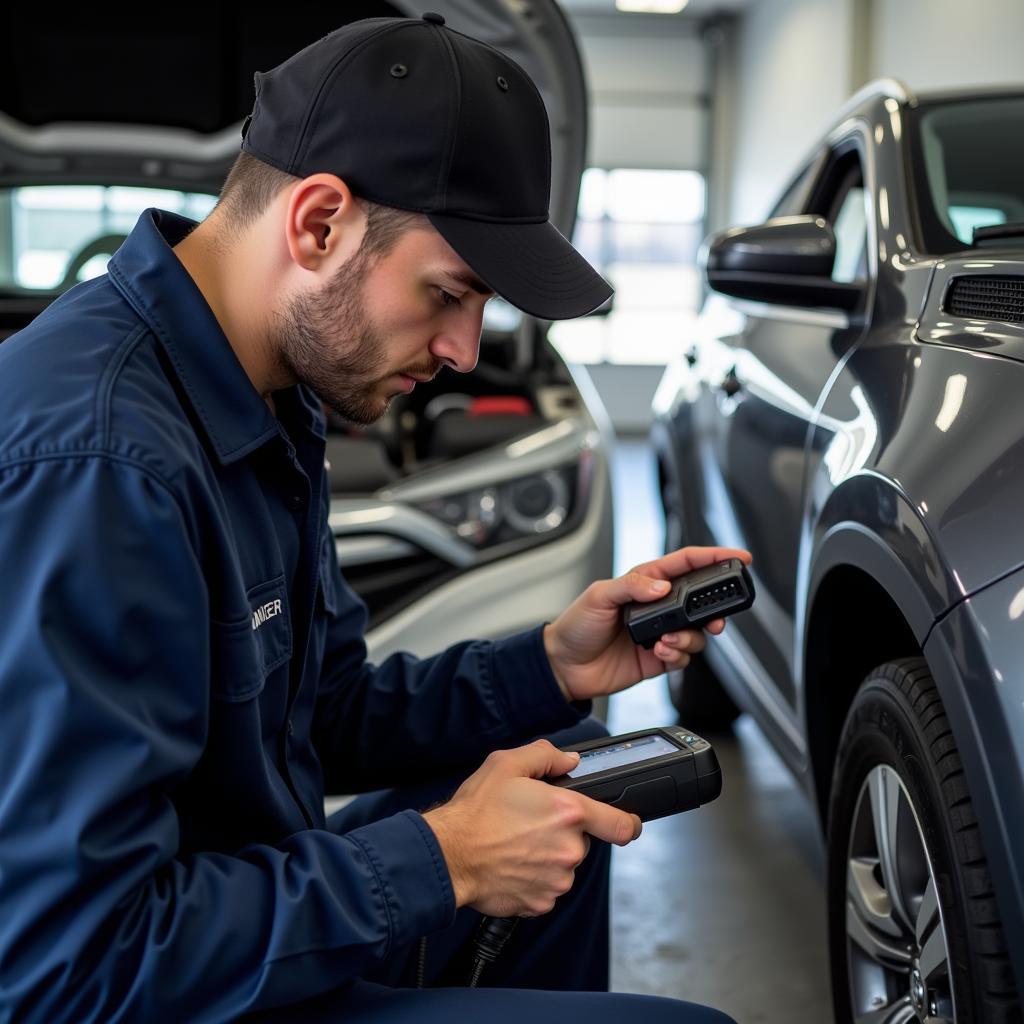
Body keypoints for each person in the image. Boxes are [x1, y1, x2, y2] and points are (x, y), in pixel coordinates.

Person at [0, 14, 749, 1023]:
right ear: (317, 223)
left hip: (219, 914)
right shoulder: (102, 468)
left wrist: (550, 665)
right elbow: (69, 964)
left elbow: (317, 711)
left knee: (564, 782)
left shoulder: (266, 392)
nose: (465, 351)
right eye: (450, 293)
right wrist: (440, 858)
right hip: (146, 984)